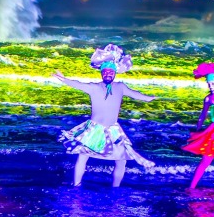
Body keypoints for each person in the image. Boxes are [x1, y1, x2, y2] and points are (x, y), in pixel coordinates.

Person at [55, 44, 157, 187]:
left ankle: (116, 187)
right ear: (102, 73)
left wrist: (149, 98)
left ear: (114, 73)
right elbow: (78, 84)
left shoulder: (120, 87)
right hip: (94, 129)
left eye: (111, 72)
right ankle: (76, 185)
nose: (108, 74)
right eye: (105, 72)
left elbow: (135, 94)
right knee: (83, 156)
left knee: (121, 160)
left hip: (113, 130)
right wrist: (63, 79)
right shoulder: (94, 87)